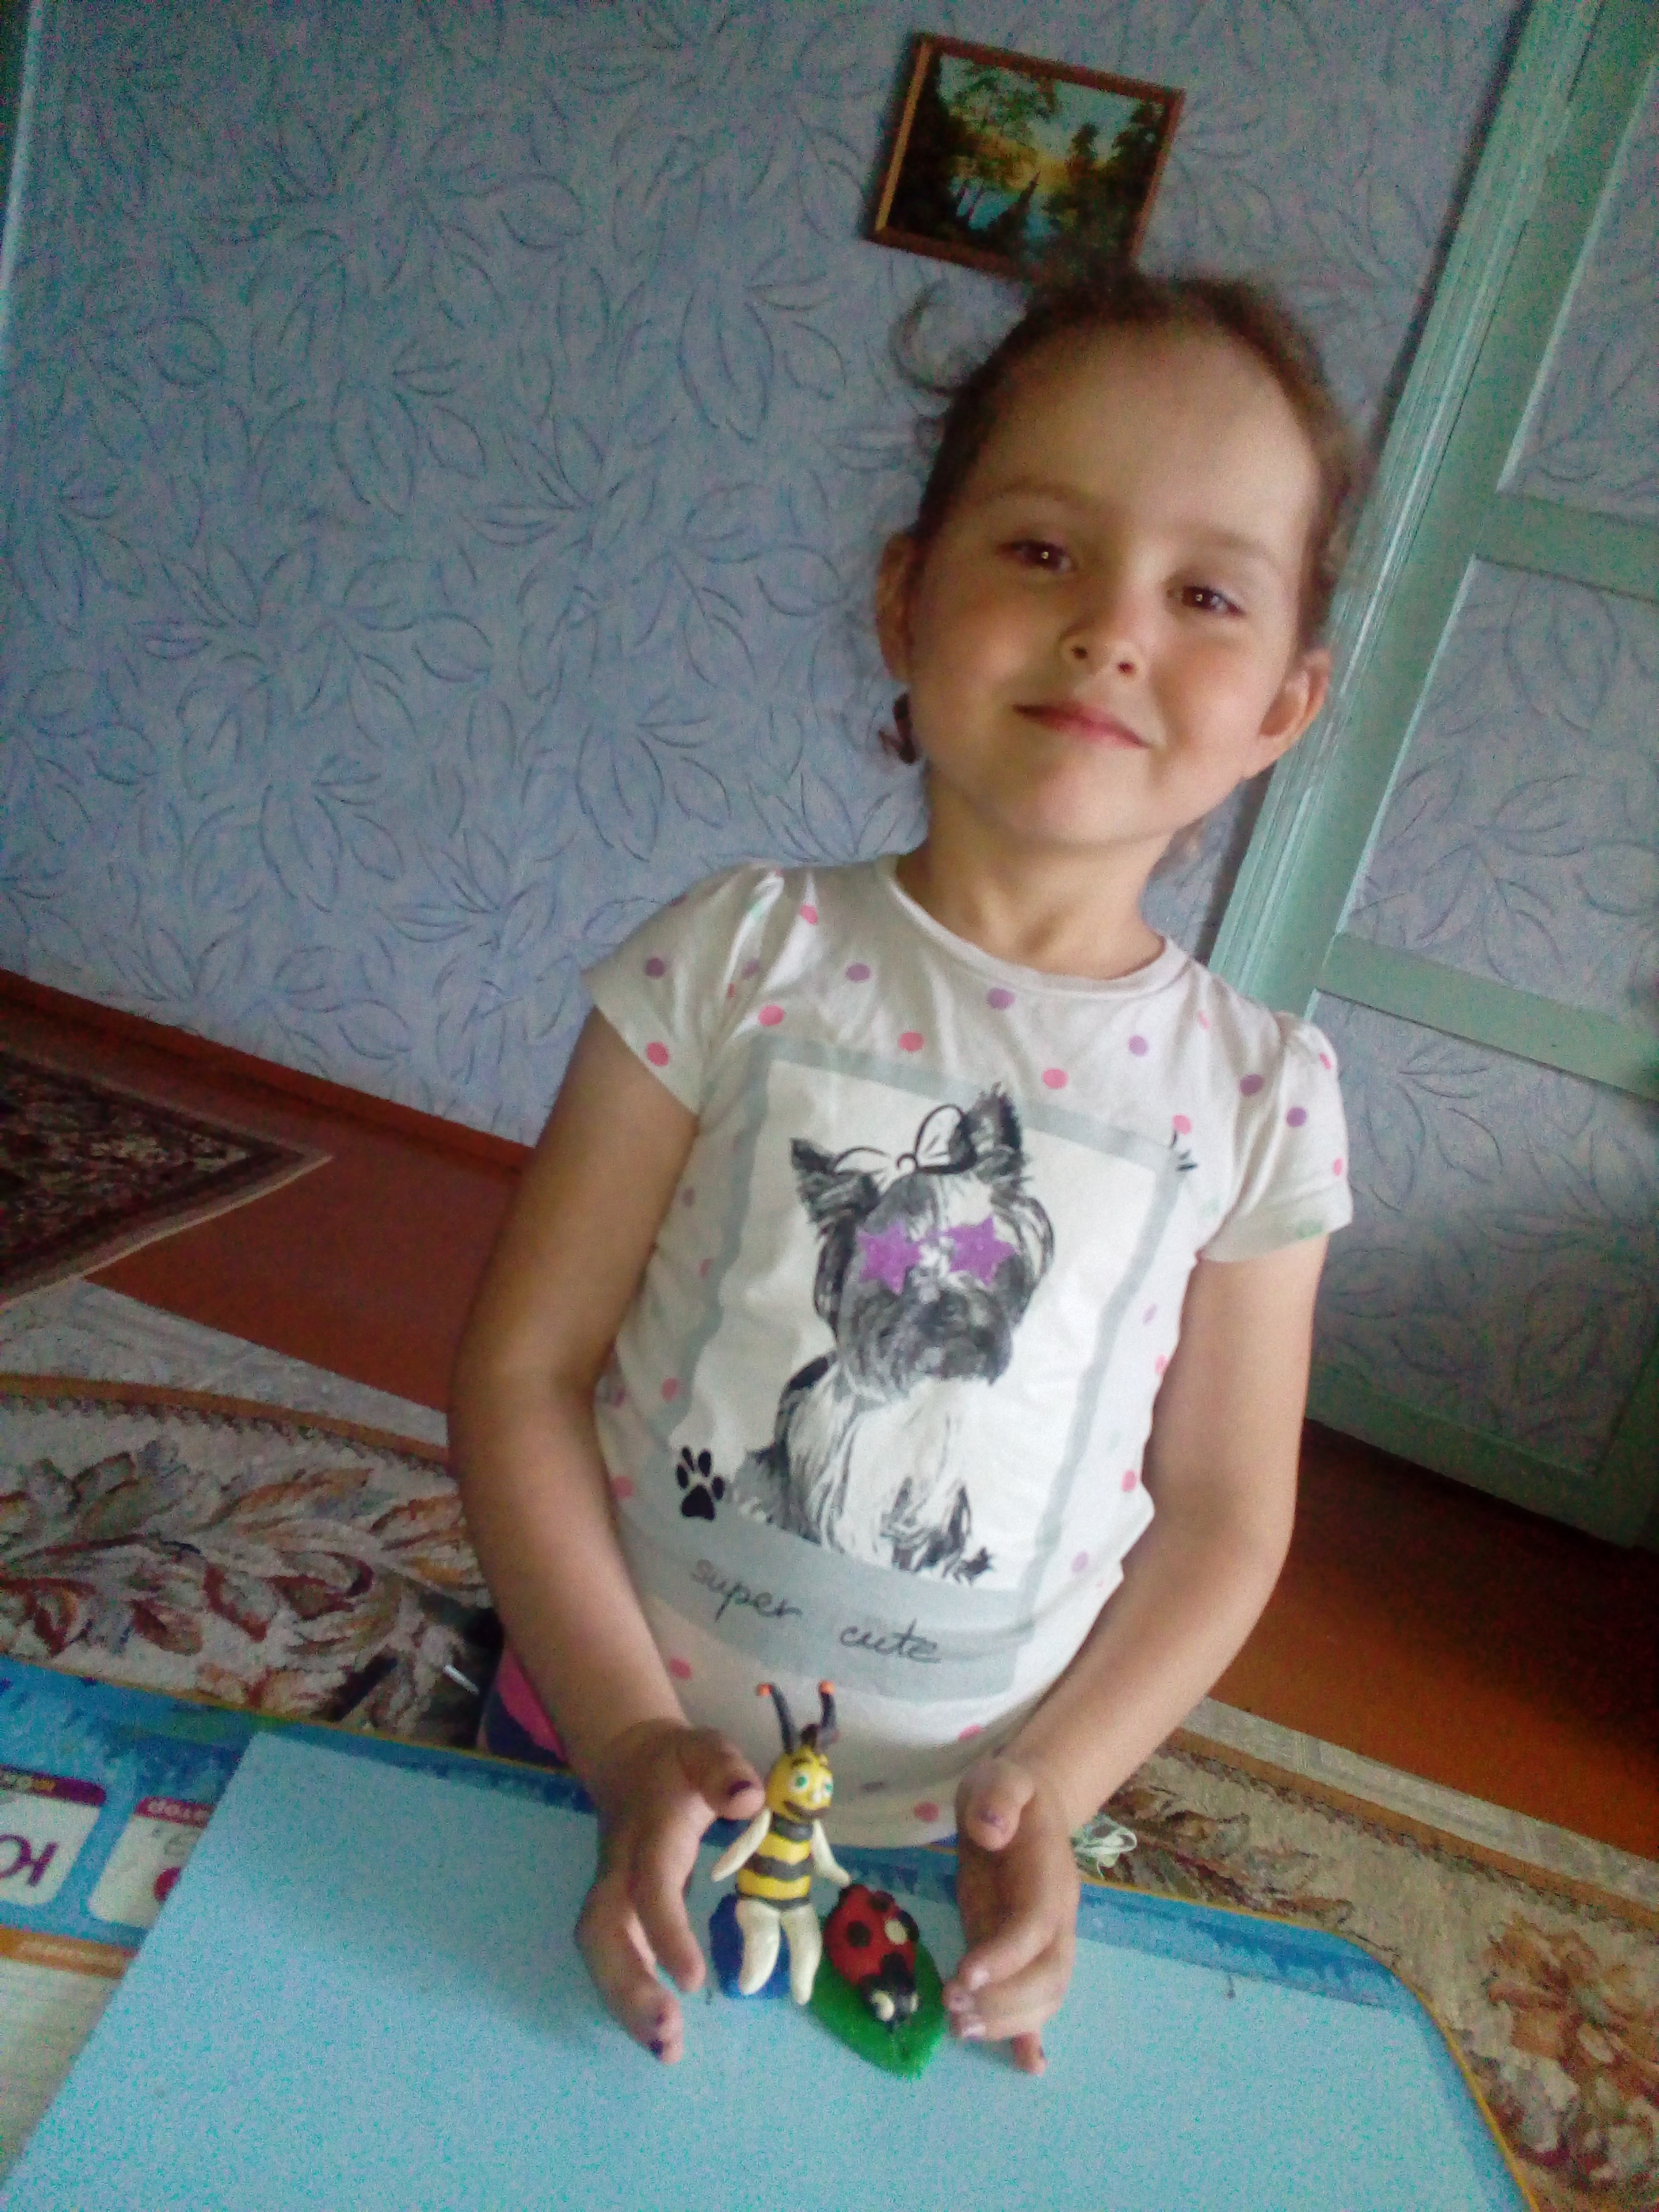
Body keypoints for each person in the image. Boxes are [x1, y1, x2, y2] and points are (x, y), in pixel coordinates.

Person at [449, 265, 1361, 2076]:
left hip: (960, 1837)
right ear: (905, 597)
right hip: (587, 1750)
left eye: (1203, 594)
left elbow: (1225, 1517)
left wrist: (1058, 1791)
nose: (1111, 630)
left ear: (1284, 703)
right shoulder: (731, 957)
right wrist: (625, 1741)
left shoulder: (1265, 1100)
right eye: (1044, 551)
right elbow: (524, 1370)